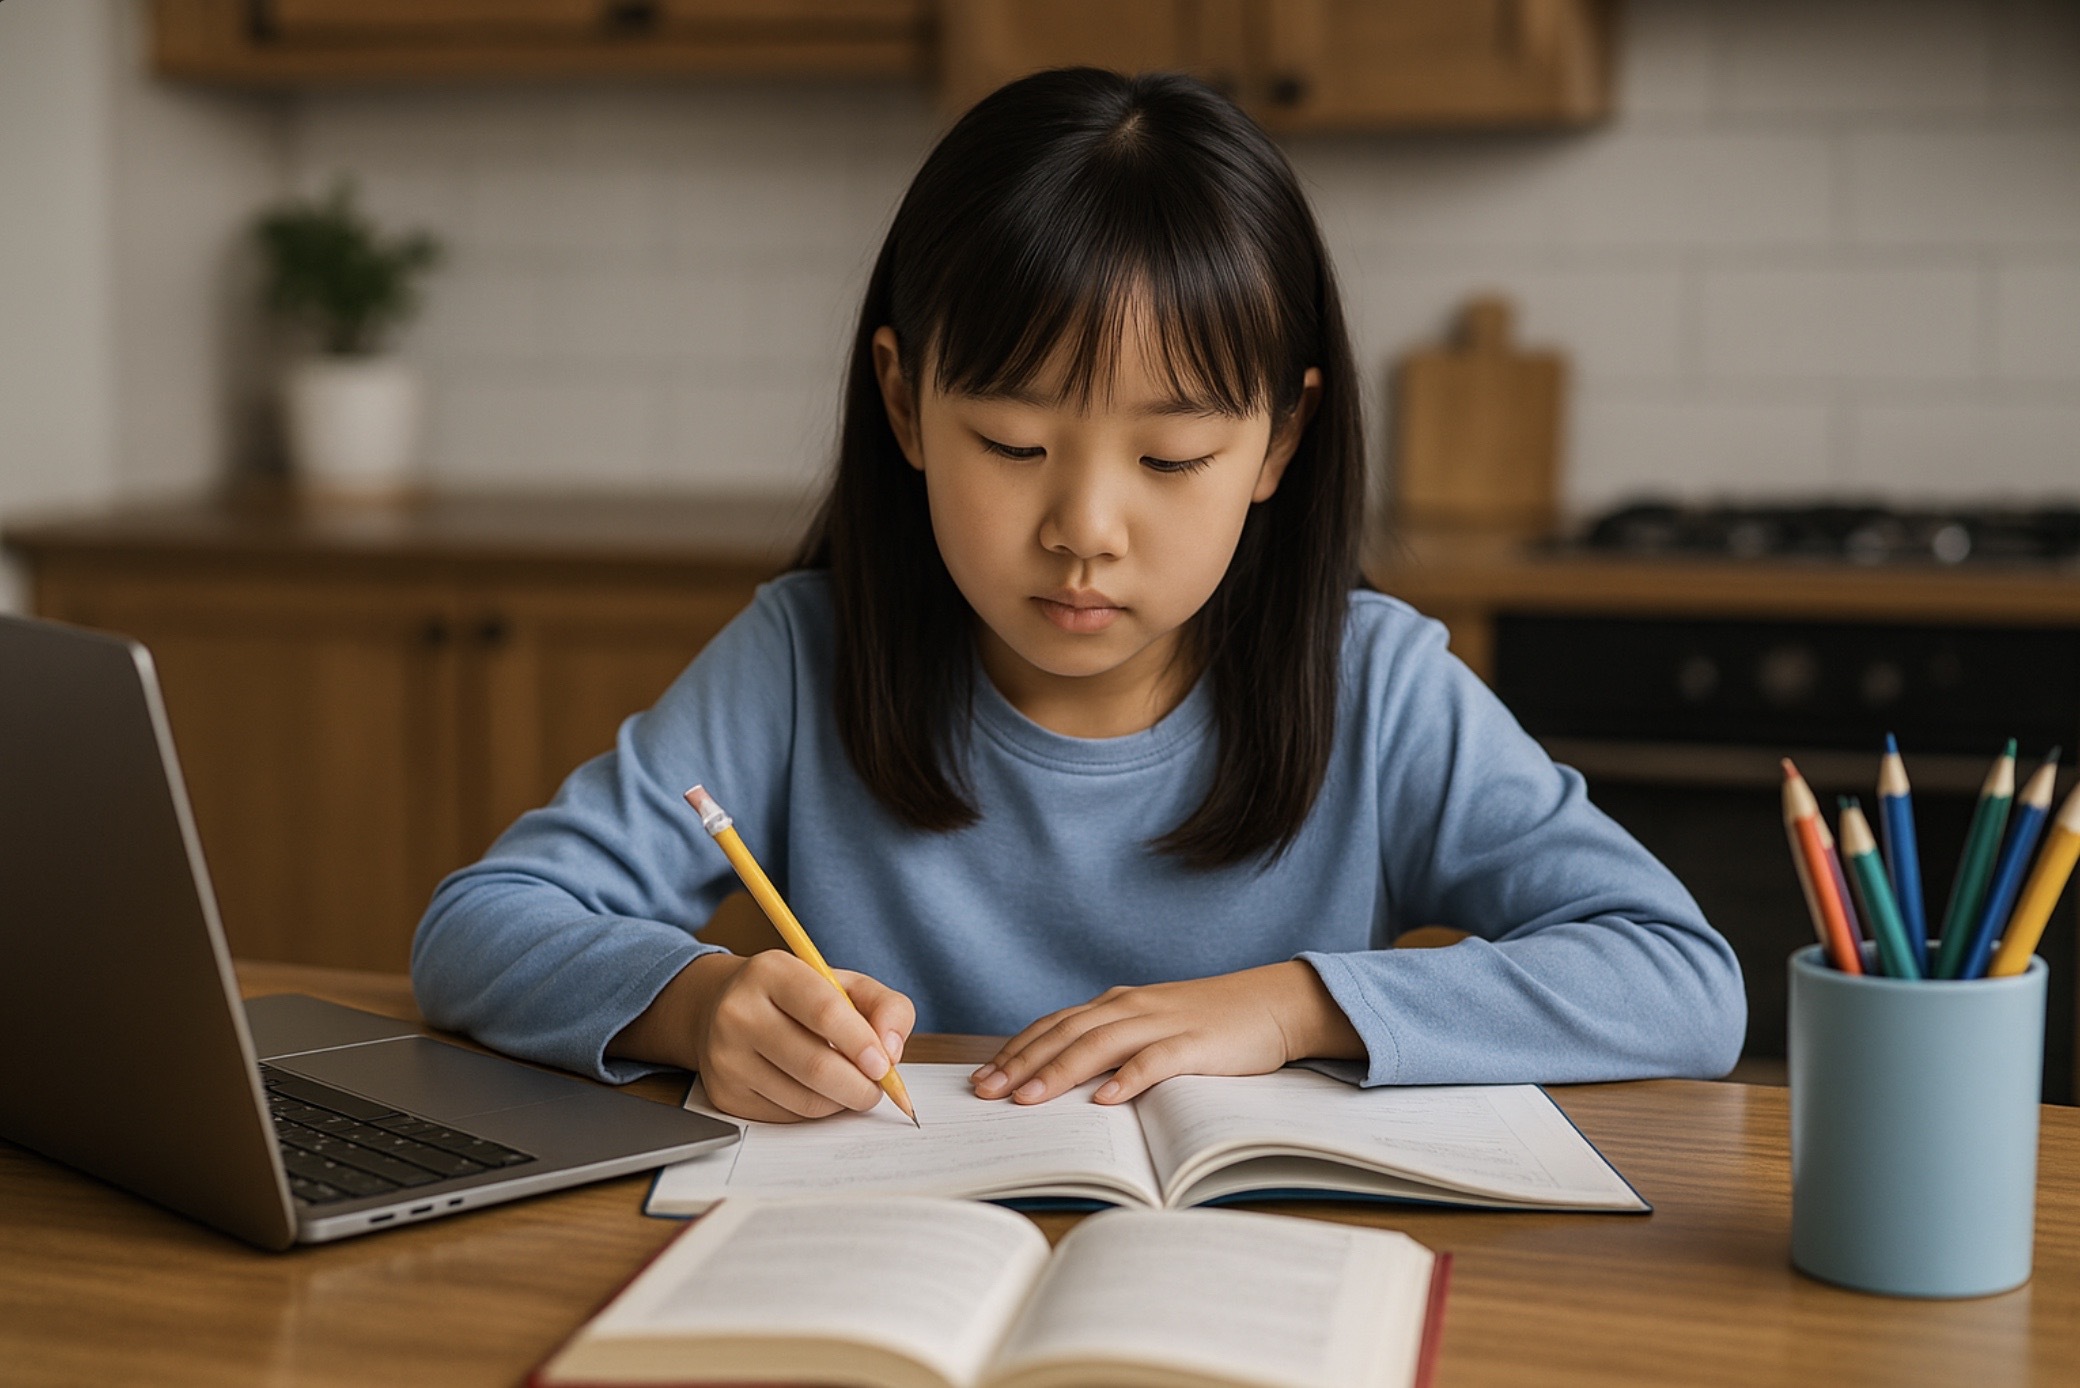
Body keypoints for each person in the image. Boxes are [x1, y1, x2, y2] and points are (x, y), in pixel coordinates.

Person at [412, 68, 1744, 1124]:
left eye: (1170, 460)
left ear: (1279, 442)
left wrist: (1294, 1007)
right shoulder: (801, 662)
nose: (1084, 533)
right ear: (903, 403)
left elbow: (1681, 980)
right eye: (1012, 445)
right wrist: (701, 1005)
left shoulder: (1376, 686)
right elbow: (476, 927)